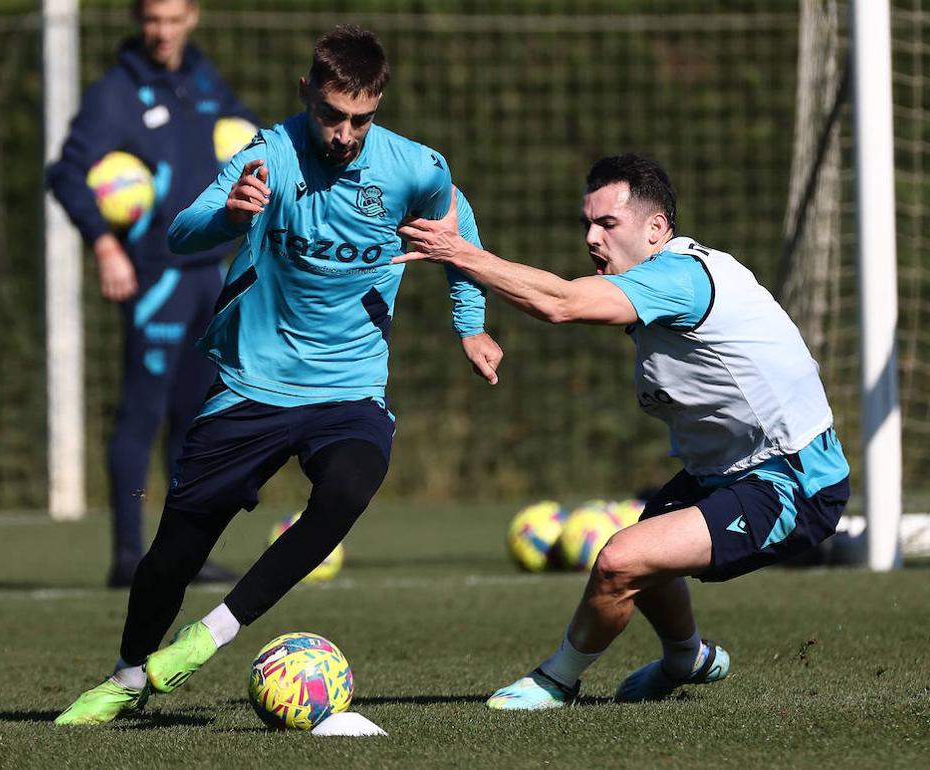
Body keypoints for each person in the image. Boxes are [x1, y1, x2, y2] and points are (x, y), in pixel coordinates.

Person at [54, 24, 504, 725]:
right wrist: (229, 216)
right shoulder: (266, 154)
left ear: (379, 104)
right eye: (331, 115)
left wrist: (469, 323)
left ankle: (205, 641)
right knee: (171, 555)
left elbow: (456, 226)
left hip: (349, 388)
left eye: (361, 119)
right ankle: (127, 672)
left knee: (350, 486)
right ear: (306, 94)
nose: (345, 134)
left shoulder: (414, 167)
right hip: (251, 385)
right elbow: (182, 232)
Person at [395, 154, 850, 709]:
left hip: (791, 480)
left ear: (657, 228)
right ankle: (689, 659)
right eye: (587, 223)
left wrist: (459, 252)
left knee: (620, 559)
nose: (591, 237)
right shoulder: (658, 284)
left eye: (607, 224)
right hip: (724, 472)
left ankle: (557, 680)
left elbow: (560, 304)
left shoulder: (679, 279)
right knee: (648, 554)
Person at [47, 0, 257, 588]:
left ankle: (182, 553)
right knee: (142, 412)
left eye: (172, 19)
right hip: (155, 278)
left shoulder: (203, 81)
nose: (160, 33)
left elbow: (258, 140)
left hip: (208, 276)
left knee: (198, 420)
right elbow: (66, 173)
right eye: (150, 21)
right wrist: (105, 246)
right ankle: (126, 556)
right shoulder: (115, 93)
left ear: (193, 15)